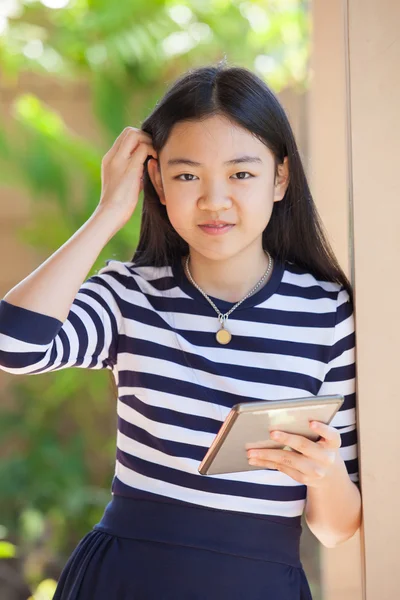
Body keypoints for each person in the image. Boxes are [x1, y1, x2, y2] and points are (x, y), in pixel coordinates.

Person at [0, 62, 361, 599]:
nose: (215, 201)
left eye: (242, 174)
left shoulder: (328, 312)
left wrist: (323, 470)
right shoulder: (129, 293)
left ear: (280, 178)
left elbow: (336, 529)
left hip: (257, 584)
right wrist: (108, 212)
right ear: (158, 183)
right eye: (187, 175)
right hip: (124, 579)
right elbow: (14, 345)